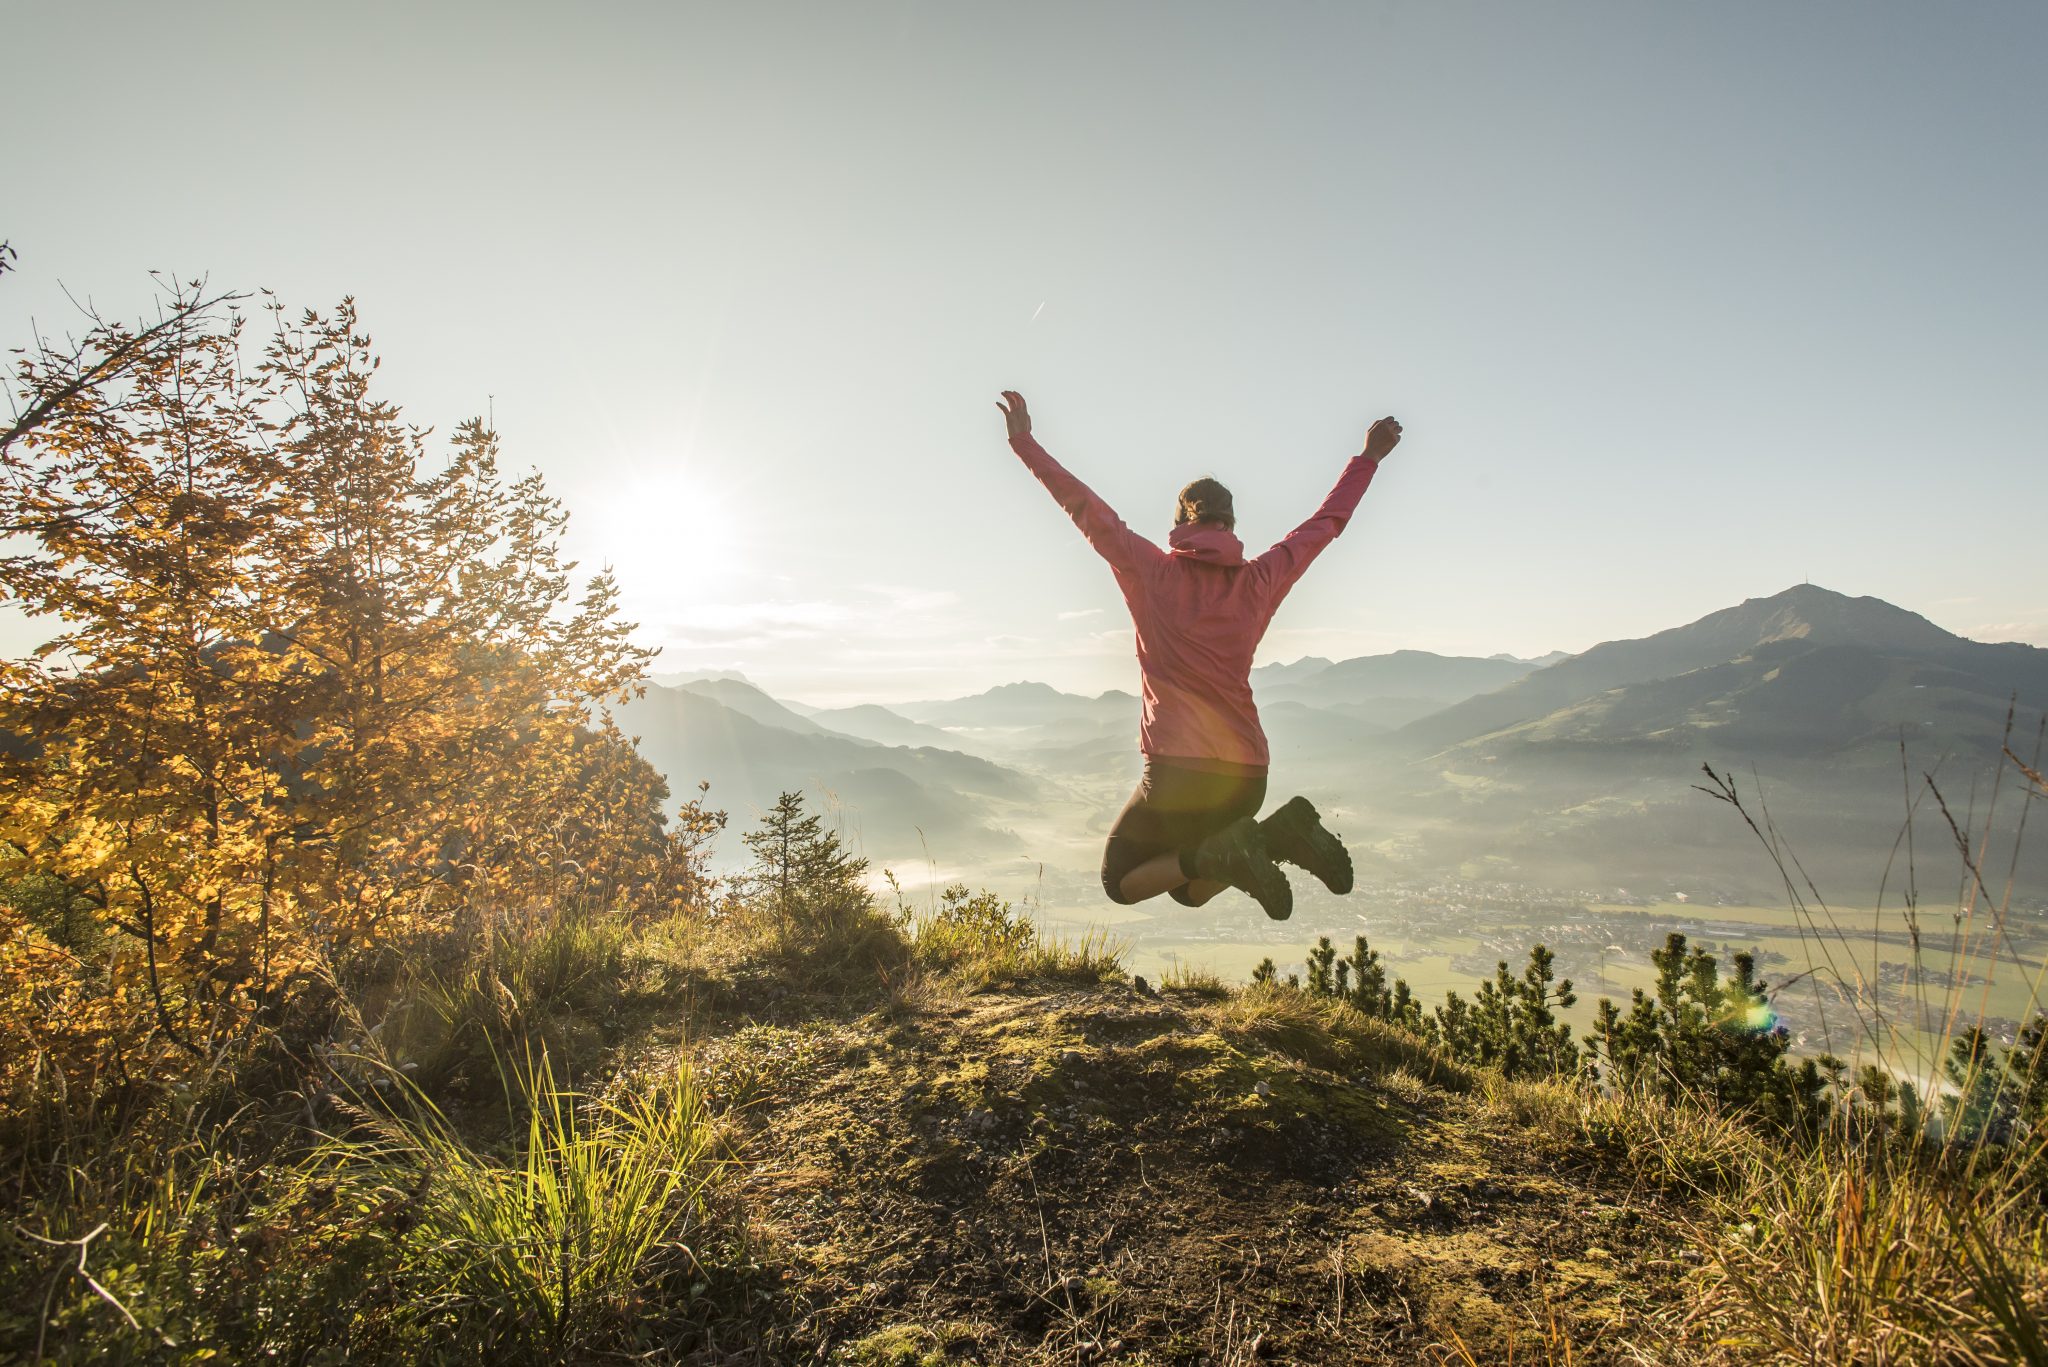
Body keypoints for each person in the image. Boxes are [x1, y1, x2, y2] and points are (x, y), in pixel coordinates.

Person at [996, 390, 1402, 920]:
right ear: (1231, 524)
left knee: (1121, 882)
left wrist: (1025, 444)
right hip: (1247, 780)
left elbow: (1084, 508)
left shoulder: (1151, 571)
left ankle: (1247, 845)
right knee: (1189, 882)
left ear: (1181, 522)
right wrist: (1368, 458)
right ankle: (1279, 834)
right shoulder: (1262, 579)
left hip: (1175, 775)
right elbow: (1326, 524)